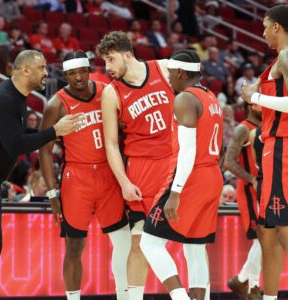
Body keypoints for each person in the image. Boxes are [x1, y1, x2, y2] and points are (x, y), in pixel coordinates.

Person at [0, 49, 84, 300]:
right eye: (41, 68)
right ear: (24, 70)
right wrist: (54, 131)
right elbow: (15, 145)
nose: (46, 73)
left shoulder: (17, 97)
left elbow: (20, 138)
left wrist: (56, 133)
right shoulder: (3, 99)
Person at [39, 50, 131, 300]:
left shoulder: (108, 91)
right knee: (74, 246)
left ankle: (125, 296)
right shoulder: (56, 104)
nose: (78, 77)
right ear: (65, 75)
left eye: (82, 71)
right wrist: (51, 194)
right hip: (76, 179)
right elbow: (44, 152)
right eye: (71, 73)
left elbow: (125, 133)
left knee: (123, 242)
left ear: (89, 70)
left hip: (109, 175)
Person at [96, 31, 175, 300]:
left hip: (173, 164)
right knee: (139, 241)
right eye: (105, 61)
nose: (107, 67)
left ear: (128, 55)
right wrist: (125, 182)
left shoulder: (164, 68)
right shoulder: (111, 92)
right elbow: (110, 144)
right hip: (141, 170)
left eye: (111, 59)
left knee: (189, 241)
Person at [140, 49, 223, 300]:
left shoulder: (185, 99)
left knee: (149, 242)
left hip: (192, 177)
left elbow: (188, 151)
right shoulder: (212, 97)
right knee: (195, 248)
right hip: (213, 175)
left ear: (178, 72)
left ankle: (180, 298)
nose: (168, 78)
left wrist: (175, 193)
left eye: (169, 74)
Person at [240, 5, 288, 300]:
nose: (262, 31)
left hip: (282, 146)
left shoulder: (285, 56)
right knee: (267, 232)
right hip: (272, 146)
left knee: (282, 228)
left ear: (278, 28)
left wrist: (254, 96)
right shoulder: (276, 61)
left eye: (264, 26)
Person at [224, 103, 262, 300]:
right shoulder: (243, 128)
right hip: (249, 191)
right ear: (250, 106)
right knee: (262, 239)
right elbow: (228, 162)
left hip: (265, 191)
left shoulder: (268, 126)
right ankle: (249, 285)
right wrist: (252, 179)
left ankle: (245, 283)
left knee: (264, 240)